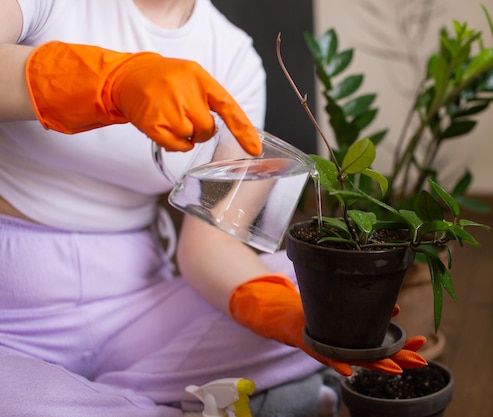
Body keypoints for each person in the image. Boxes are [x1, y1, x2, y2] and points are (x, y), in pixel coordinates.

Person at [0, 1, 428, 416]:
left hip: (135, 306)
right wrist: (110, 81)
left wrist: (282, 313)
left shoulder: (232, 55)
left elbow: (209, 246)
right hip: (10, 316)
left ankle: (101, 400)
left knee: (308, 292)